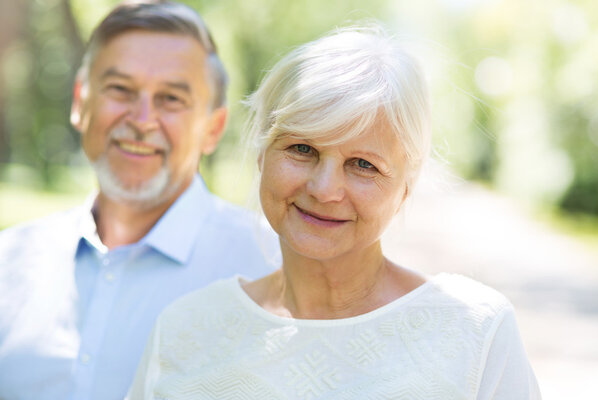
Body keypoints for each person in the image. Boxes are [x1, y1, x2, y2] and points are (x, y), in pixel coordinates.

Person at [129, 25, 542, 399]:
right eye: (302, 149)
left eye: (364, 164)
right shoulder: (186, 329)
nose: (324, 190)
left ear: (406, 185)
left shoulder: (474, 332)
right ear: (262, 154)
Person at [0, 1, 279, 399]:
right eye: (120, 89)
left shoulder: (271, 268)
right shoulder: (8, 261)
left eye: (171, 98)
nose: (142, 119)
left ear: (212, 129)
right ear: (81, 102)